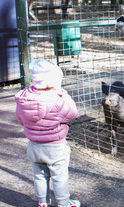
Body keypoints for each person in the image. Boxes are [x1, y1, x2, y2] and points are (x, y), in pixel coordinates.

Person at [14, 59, 81, 207]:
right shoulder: (58, 99)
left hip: (34, 146)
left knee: (39, 176)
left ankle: (43, 202)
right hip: (55, 147)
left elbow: (20, 119)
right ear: (55, 81)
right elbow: (72, 114)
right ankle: (64, 204)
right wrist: (65, 96)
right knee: (59, 177)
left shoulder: (25, 97)